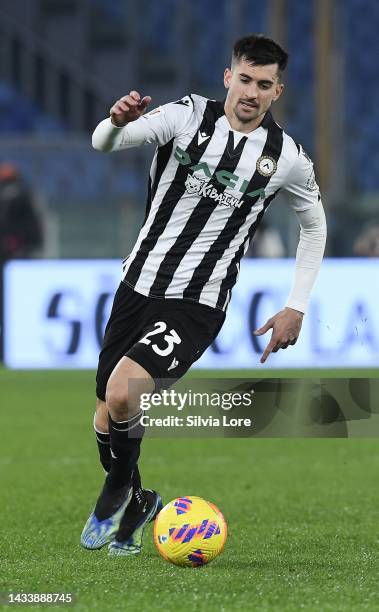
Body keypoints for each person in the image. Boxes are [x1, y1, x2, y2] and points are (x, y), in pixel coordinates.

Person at [81, 34, 327, 555]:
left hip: (199, 301)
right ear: (227, 77)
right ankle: (140, 498)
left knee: (125, 393)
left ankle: (118, 490)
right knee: (106, 412)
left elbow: (314, 227)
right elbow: (104, 143)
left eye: (264, 85)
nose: (252, 92)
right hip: (136, 285)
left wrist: (296, 304)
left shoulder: (286, 158)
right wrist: (117, 121)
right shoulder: (187, 116)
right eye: (245, 79)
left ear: (277, 91)